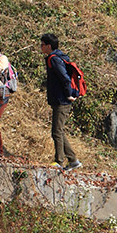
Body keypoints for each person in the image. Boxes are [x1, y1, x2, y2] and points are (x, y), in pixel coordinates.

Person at [40, 32, 82, 170]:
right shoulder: (57, 57)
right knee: (59, 131)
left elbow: (64, 78)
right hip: (60, 99)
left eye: (42, 45)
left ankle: (59, 161)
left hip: (62, 100)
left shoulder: (54, 59)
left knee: (56, 132)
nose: (41, 47)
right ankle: (73, 160)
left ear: (49, 46)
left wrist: (69, 94)